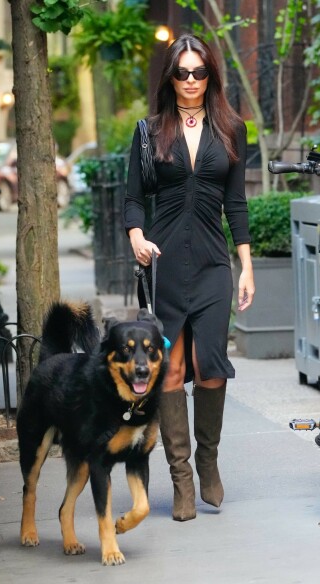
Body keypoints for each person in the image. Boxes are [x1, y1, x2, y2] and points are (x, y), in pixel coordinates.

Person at [124, 34, 255, 521]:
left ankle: (209, 461)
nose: (191, 81)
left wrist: (247, 265)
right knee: (172, 370)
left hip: (212, 262)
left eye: (200, 72)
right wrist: (136, 234)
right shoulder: (148, 131)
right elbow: (133, 196)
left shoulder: (231, 128)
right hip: (163, 261)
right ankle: (181, 480)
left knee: (212, 365)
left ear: (211, 76)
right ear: (170, 78)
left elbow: (237, 203)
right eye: (182, 73)